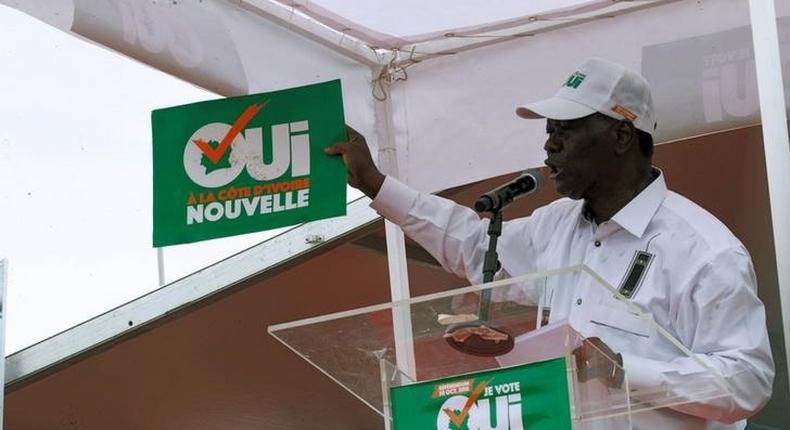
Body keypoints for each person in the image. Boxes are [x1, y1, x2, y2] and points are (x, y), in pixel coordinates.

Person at [326, 58, 774, 429]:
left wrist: (623, 372)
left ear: (620, 135)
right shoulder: (555, 225)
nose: (550, 146)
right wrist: (377, 185)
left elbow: (748, 381)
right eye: (549, 131)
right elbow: (474, 246)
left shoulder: (704, 250)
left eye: (566, 130)